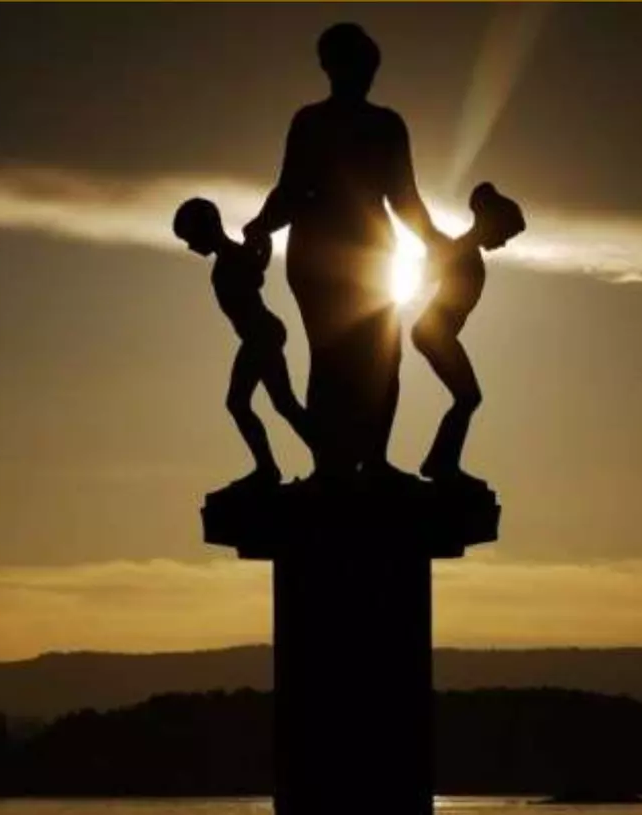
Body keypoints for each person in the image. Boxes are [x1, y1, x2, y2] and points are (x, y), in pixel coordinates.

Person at [246, 22, 448, 479]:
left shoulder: (387, 125)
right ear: (330, 67)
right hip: (317, 255)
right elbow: (290, 189)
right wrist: (261, 225)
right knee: (330, 357)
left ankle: (373, 460)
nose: (363, 74)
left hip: (372, 253)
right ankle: (330, 465)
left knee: (385, 353)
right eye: (354, 64)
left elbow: (404, 197)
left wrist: (435, 240)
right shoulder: (310, 122)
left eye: (367, 66)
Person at [173, 196, 313, 488]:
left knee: (246, 403)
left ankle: (274, 468)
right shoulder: (232, 256)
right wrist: (259, 240)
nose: (190, 246)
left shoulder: (232, 257)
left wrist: (260, 237)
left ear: (205, 229)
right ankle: (301, 461)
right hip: (258, 337)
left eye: (190, 237)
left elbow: (257, 271)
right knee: (280, 403)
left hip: (261, 336)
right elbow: (258, 267)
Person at [414, 182, 525, 487]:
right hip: (435, 333)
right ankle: (440, 464)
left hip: (439, 334)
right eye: (505, 235)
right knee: (468, 397)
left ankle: (440, 462)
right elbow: (426, 274)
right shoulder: (462, 250)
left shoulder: (464, 250)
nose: (503, 243)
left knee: (468, 398)